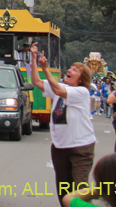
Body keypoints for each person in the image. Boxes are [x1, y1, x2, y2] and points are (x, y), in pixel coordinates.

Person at [29, 43, 97, 205]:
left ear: (81, 78)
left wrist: (46, 68)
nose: (70, 70)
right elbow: (36, 81)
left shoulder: (82, 92)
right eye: (71, 68)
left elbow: (59, 92)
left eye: (75, 70)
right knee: (64, 193)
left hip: (81, 147)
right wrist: (33, 58)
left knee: (79, 190)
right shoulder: (61, 86)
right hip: (60, 147)